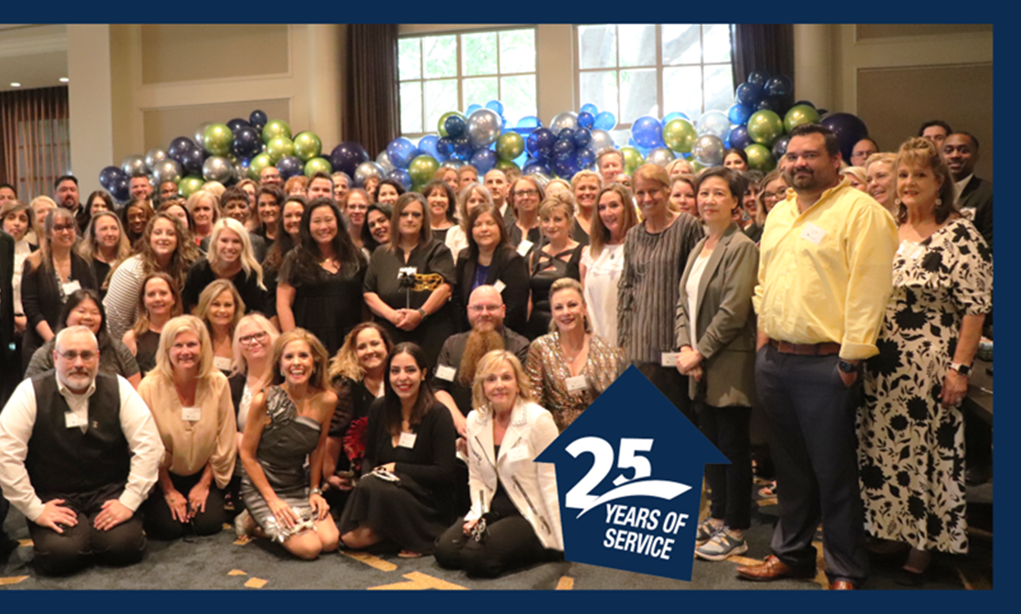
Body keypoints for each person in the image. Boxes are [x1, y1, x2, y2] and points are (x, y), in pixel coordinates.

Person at [736, 123, 898, 590]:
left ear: (835, 160)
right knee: (790, 470)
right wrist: (764, 344)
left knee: (834, 473)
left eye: (810, 155)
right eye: (791, 156)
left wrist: (850, 360)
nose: (798, 164)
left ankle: (846, 569)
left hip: (827, 364)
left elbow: (870, 291)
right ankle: (792, 554)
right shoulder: (780, 214)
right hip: (776, 360)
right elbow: (765, 281)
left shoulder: (861, 213)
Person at [857, 137, 991, 582]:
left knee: (926, 456)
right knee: (884, 452)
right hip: (881, 367)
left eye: (919, 174)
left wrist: (959, 369)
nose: (908, 183)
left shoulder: (960, 234)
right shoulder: (886, 227)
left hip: (931, 368)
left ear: (939, 183)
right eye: (902, 174)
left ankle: (924, 544)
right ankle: (893, 530)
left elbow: (975, 308)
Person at [0, 325, 164, 575]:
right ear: (56, 358)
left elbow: (150, 446)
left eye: (86, 355)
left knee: (123, 546)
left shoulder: (119, 387)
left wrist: (129, 501)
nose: (79, 363)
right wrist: (35, 509)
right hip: (55, 495)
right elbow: (5, 455)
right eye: (70, 355)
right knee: (60, 555)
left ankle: (92, 537)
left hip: (108, 491)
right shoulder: (29, 392)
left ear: (97, 357)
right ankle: (82, 539)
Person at [673, 167, 759, 561]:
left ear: (735, 202)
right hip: (698, 363)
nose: (708, 200)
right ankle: (719, 515)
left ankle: (737, 529)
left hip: (727, 363)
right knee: (709, 445)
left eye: (718, 193)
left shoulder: (741, 247)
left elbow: (734, 311)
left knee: (732, 447)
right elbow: (682, 304)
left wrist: (700, 351)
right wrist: (684, 346)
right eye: (703, 193)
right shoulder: (700, 246)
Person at [434, 350, 562, 577]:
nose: (499, 385)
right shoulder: (475, 419)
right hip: (493, 509)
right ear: (482, 387)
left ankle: (539, 547)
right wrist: (478, 514)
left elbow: (553, 478)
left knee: (475, 559)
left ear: (518, 384)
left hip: (529, 510)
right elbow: (477, 477)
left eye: (506, 377)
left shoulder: (538, 419)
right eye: (491, 379)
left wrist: (556, 535)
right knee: (446, 551)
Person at [338, 342, 458, 557]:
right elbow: (370, 457)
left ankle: (421, 537)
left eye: (410, 370)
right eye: (395, 371)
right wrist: (368, 476)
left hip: (426, 500)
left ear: (423, 374)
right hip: (385, 494)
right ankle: (399, 535)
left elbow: (445, 473)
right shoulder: (379, 408)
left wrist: (397, 468)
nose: (402, 378)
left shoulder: (439, 414)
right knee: (350, 538)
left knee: (360, 531)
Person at [236, 329, 340, 559]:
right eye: (289, 357)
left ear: (315, 361)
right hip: (263, 486)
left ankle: (276, 520)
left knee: (330, 541)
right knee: (310, 548)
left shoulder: (327, 399)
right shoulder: (264, 400)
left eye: (303, 356)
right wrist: (273, 501)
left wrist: (315, 490)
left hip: (297, 483)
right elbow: (247, 455)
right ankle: (254, 519)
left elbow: (319, 447)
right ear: (280, 364)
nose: (296, 363)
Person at [137, 315, 236, 540]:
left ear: (203, 347)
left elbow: (225, 438)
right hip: (163, 475)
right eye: (178, 345)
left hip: (204, 471)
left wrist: (204, 484)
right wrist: (169, 490)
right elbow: (147, 445)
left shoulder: (218, 382)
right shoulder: (149, 387)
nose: (185, 352)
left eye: (191, 344)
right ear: (167, 350)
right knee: (168, 528)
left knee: (208, 523)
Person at [617, 164, 703, 418]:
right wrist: (623, 340)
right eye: (640, 192)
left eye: (653, 191)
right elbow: (626, 288)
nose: (647, 198)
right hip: (639, 350)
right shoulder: (633, 235)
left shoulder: (687, 226)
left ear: (667, 191)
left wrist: (691, 345)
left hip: (675, 348)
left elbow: (696, 289)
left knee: (675, 424)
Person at [363, 193, 456, 364]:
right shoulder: (381, 254)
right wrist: (392, 315)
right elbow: (369, 293)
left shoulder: (438, 250)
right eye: (404, 214)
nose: (410, 219)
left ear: (424, 219)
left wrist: (421, 313)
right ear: (395, 219)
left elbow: (445, 288)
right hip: (391, 331)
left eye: (416, 214)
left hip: (431, 331)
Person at [525, 278, 625, 431]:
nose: (566, 312)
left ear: (584, 308)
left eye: (572, 305)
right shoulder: (540, 348)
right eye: (559, 307)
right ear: (552, 313)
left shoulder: (608, 352)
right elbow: (534, 404)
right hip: (551, 434)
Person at [434, 285, 531, 432]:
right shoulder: (452, 345)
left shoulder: (520, 346)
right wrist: (460, 422)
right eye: (478, 308)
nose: (484, 313)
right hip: (458, 429)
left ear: (503, 310)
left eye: (491, 307)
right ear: (468, 311)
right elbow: (439, 388)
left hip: (506, 429)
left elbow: (522, 394)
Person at [277, 198, 366, 357]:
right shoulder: (295, 259)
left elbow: (365, 301)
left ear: (338, 222)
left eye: (328, 220)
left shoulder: (356, 257)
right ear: (307, 226)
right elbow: (283, 304)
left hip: (350, 340)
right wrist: (294, 342)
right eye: (316, 221)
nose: (323, 227)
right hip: (310, 342)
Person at [323, 322, 393, 504]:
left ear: (386, 346)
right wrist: (328, 475)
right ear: (353, 353)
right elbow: (334, 433)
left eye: (375, 344)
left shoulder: (398, 379)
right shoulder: (346, 384)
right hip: (352, 473)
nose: (370, 351)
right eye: (362, 347)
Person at [21, 208, 99, 369]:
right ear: (48, 233)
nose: (65, 232)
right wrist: (54, 341)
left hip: (77, 344)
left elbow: (92, 299)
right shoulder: (33, 263)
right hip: (41, 343)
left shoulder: (84, 263)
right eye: (58, 227)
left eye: (69, 227)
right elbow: (31, 307)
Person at [104, 213, 199, 341]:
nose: (163, 238)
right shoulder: (130, 272)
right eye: (158, 233)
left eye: (170, 233)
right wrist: (130, 348)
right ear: (149, 237)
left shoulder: (184, 267)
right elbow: (117, 324)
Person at [25, 288, 141, 388]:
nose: (88, 317)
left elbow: (135, 390)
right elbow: (31, 392)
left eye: (94, 312)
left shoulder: (118, 349)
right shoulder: (45, 354)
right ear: (66, 316)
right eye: (81, 311)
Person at [455, 203, 529, 335]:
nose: (484, 229)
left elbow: (515, 307)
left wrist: (489, 332)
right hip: (468, 334)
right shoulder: (464, 258)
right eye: (478, 225)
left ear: (500, 227)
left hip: (503, 335)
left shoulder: (512, 260)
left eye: (490, 223)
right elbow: (457, 300)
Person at [580, 184, 638, 347]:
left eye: (614, 206)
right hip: (598, 345)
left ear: (626, 209)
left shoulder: (641, 247)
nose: (608, 213)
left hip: (633, 344)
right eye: (602, 208)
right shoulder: (590, 253)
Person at [527, 193, 584, 340]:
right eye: (546, 220)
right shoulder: (534, 255)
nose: (551, 225)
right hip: (536, 328)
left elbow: (585, 297)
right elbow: (530, 299)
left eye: (557, 219)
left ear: (569, 222)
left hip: (569, 324)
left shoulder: (583, 252)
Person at [183, 218, 268, 316]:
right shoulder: (198, 270)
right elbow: (192, 307)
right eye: (224, 241)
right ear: (215, 242)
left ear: (243, 245)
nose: (229, 247)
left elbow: (257, 313)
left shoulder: (251, 274)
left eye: (236, 241)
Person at [123, 272, 182, 377]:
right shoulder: (132, 338)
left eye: (163, 293)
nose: (157, 299)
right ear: (144, 300)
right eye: (151, 294)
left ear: (174, 298)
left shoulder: (185, 333)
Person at [943, 132, 992, 251]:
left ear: (976, 157)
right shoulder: (931, 193)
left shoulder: (989, 193)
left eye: (963, 150)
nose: (955, 155)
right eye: (948, 151)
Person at [195, 280, 246, 374]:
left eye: (228, 305)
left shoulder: (245, 336)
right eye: (216, 304)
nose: (222, 310)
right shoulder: (195, 337)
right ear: (205, 307)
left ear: (235, 308)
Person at [2, 201, 37, 337]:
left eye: (22, 219)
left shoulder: (37, 253)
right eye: (11, 218)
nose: (17, 223)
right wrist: (14, 320)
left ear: (28, 226)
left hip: (31, 323)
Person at [78, 212, 132, 298]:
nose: (110, 233)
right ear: (94, 235)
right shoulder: (84, 262)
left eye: (114, 228)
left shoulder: (129, 260)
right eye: (104, 229)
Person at [446, 183, 494, 264]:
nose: (477, 204)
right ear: (465, 205)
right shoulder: (453, 233)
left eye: (481, 201)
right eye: (472, 201)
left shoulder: (494, 230)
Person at [505, 176, 544, 255]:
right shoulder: (505, 232)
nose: (525, 197)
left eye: (531, 192)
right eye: (520, 193)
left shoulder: (548, 231)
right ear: (513, 200)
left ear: (540, 197)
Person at [422, 180, 458, 249]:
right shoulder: (419, 227)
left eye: (443, 195)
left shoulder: (459, 227)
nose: (438, 200)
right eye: (433, 195)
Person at [570, 170, 600, 245]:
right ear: (573, 192)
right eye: (582, 188)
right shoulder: (568, 224)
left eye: (592, 188)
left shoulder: (608, 221)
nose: (587, 192)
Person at [344, 188, 371, 253]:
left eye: (362, 207)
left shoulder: (376, 238)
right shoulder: (340, 239)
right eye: (352, 207)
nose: (357, 211)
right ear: (345, 210)